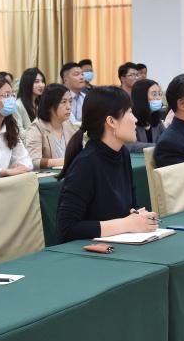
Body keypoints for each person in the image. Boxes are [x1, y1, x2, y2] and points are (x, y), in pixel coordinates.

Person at [56, 86, 158, 243]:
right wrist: (125, 224)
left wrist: (139, 216)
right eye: (129, 112)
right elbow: (66, 229)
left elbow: (131, 206)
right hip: (88, 250)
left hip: (119, 242)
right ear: (111, 121)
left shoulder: (122, 153)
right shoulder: (86, 164)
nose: (135, 119)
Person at [23, 83, 76, 169]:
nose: (69, 107)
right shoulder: (37, 128)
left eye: (70, 101)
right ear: (49, 106)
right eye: (63, 102)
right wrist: (66, 161)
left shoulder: (68, 125)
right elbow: (34, 161)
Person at [131, 78, 166, 145]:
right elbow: (131, 145)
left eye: (159, 94)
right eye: (154, 94)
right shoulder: (130, 119)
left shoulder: (156, 119)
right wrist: (156, 146)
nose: (158, 98)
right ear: (142, 97)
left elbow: (166, 138)